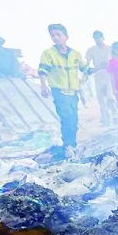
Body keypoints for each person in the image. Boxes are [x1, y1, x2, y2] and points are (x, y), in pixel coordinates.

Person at [38, 24, 88, 153]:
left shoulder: (75, 54)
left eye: (58, 35)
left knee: (73, 119)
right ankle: (68, 145)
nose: (55, 38)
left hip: (72, 92)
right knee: (66, 119)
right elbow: (43, 71)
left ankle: (72, 144)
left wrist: (100, 67)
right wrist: (44, 86)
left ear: (66, 36)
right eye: (53, 35)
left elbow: (85, 69)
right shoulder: (48, 53)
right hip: (59, 91)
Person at [85, 30, 117, 126]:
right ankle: (105, 118)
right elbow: (86, 63)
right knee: (101, 99)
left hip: (109, 75)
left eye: (99, 38)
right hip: (98, 75)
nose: (97, 40)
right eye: (95, 38)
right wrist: (86, 73)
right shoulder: (91, 50)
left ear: (103, 38)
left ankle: (115, 116)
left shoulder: (110, 49)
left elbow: (116, 60)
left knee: (110, 97)